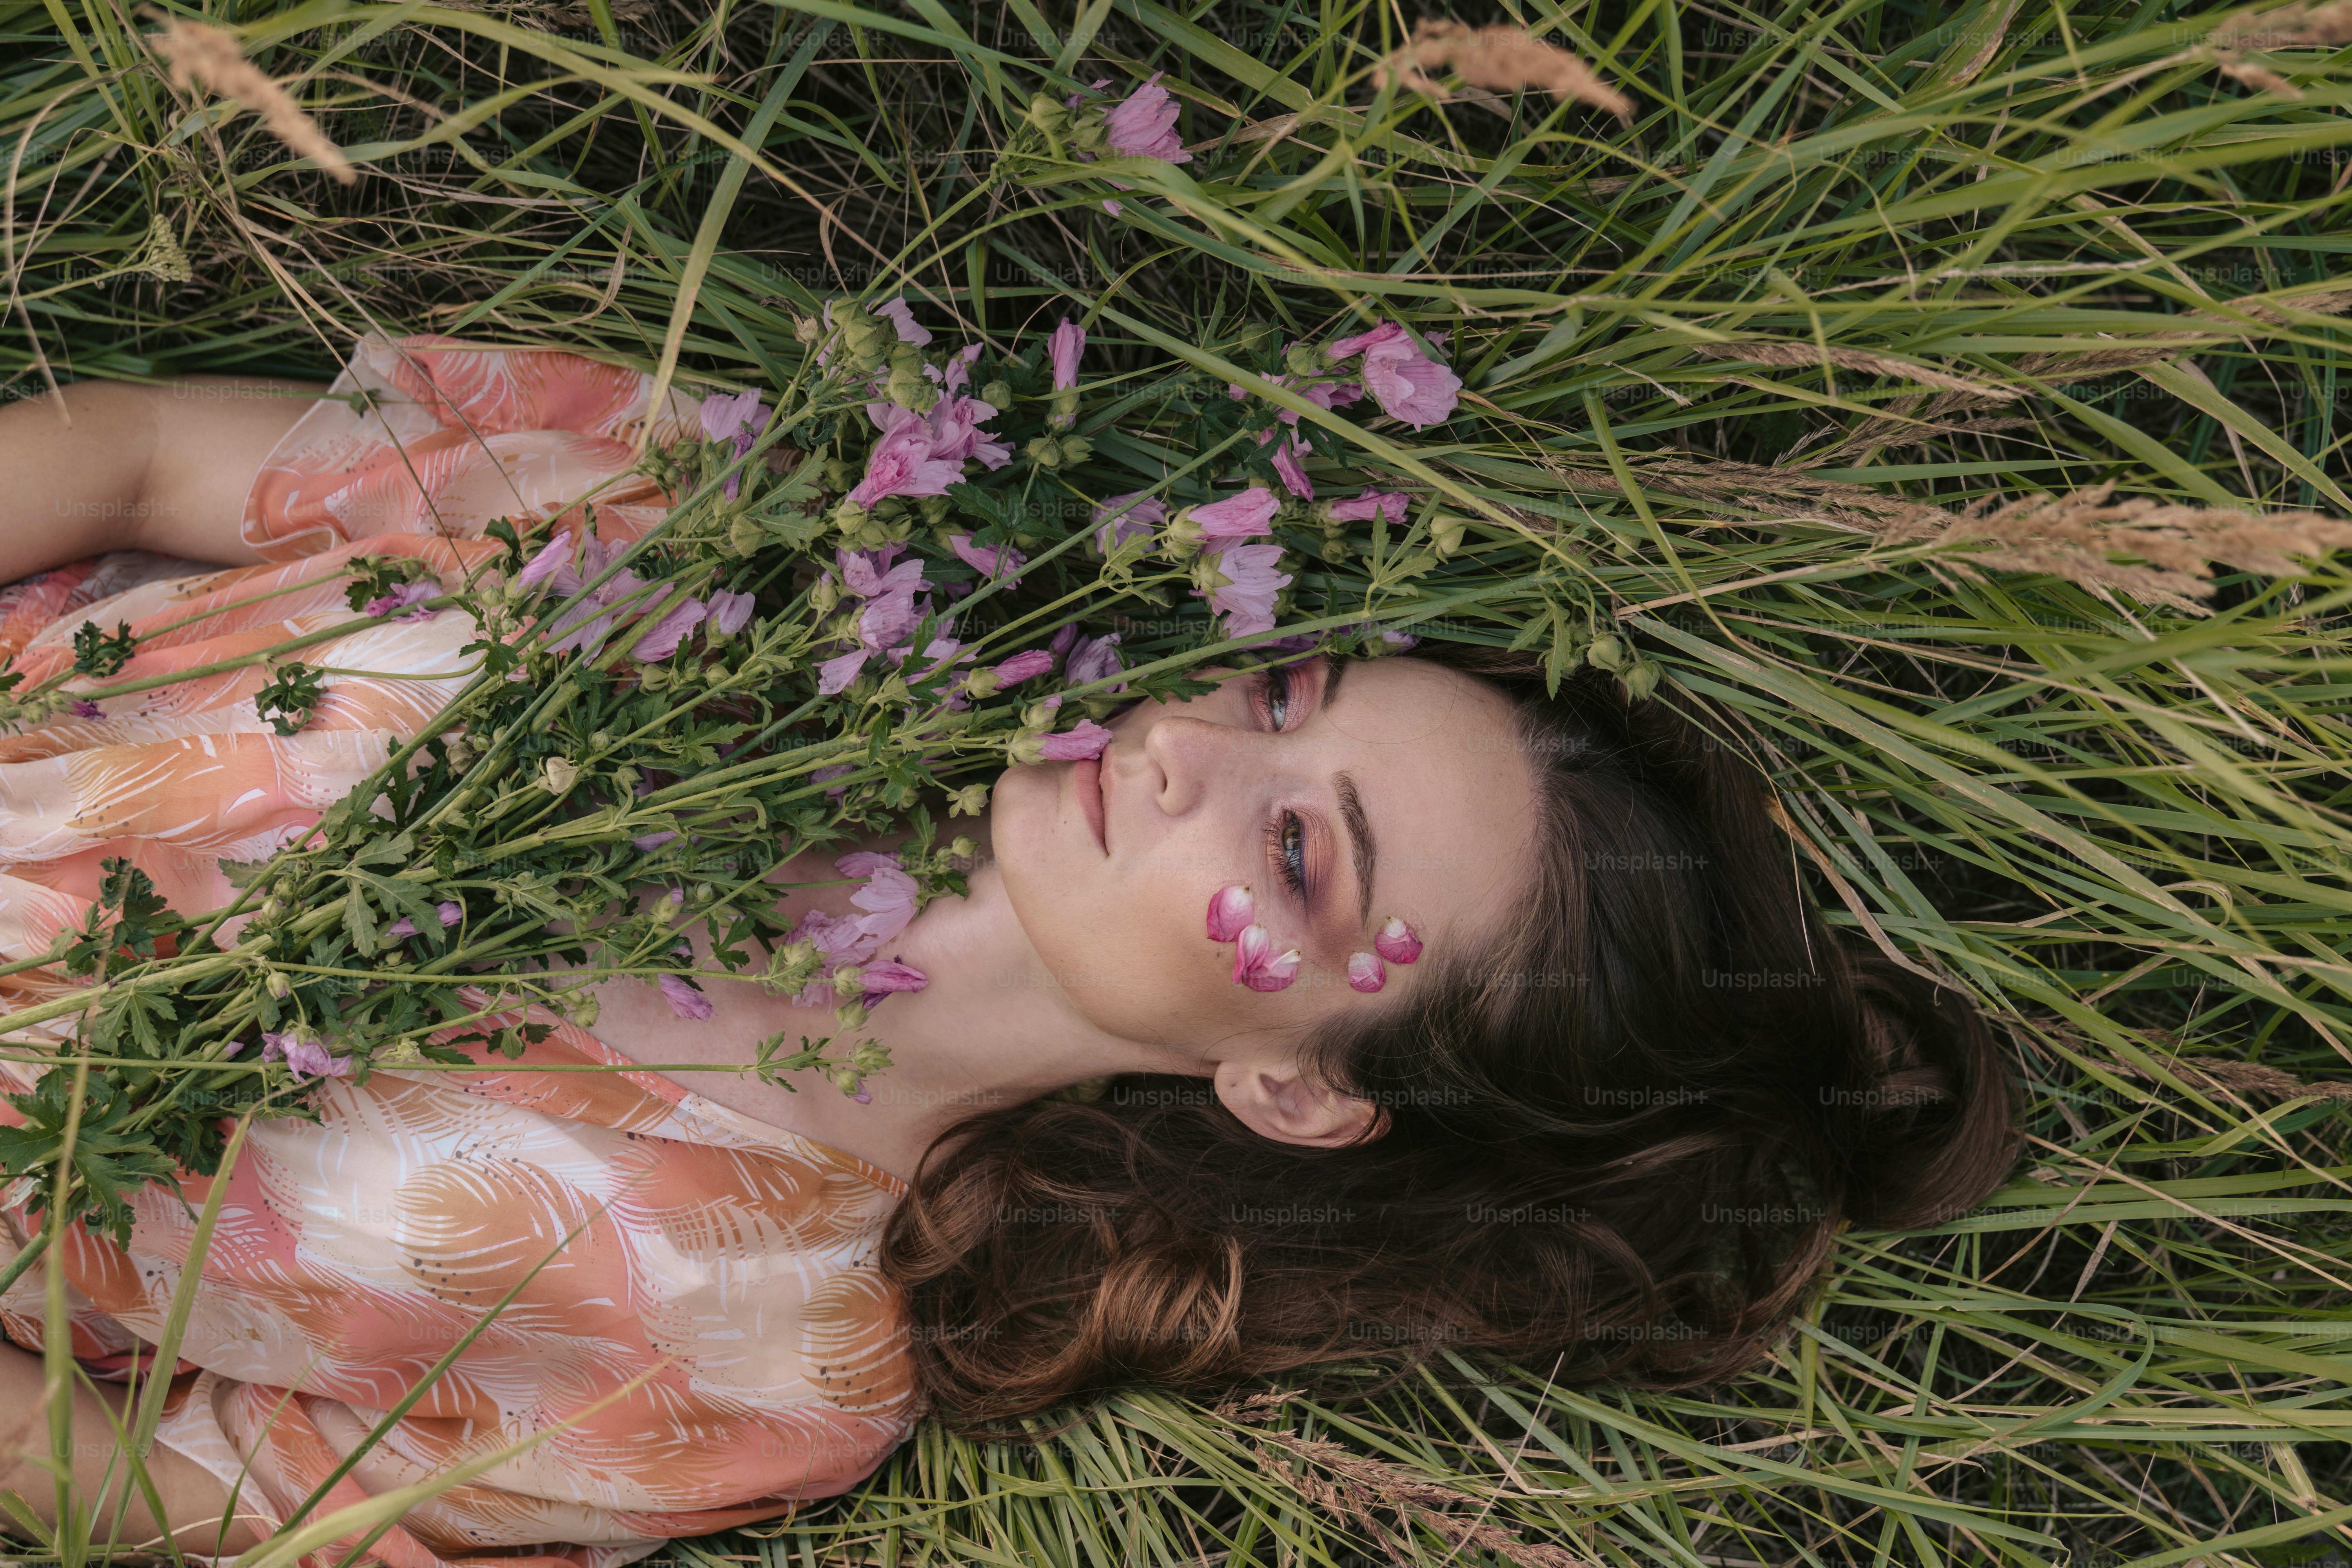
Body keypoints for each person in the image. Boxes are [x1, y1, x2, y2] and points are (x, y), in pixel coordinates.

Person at [0, 336, 2020, 1564]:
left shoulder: (775, 1366)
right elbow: (160, 453)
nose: (1183, 743)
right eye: (1285, 689)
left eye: (1299, 846)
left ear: (1301, 1085)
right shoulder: (735, 549)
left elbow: (205, 1493)